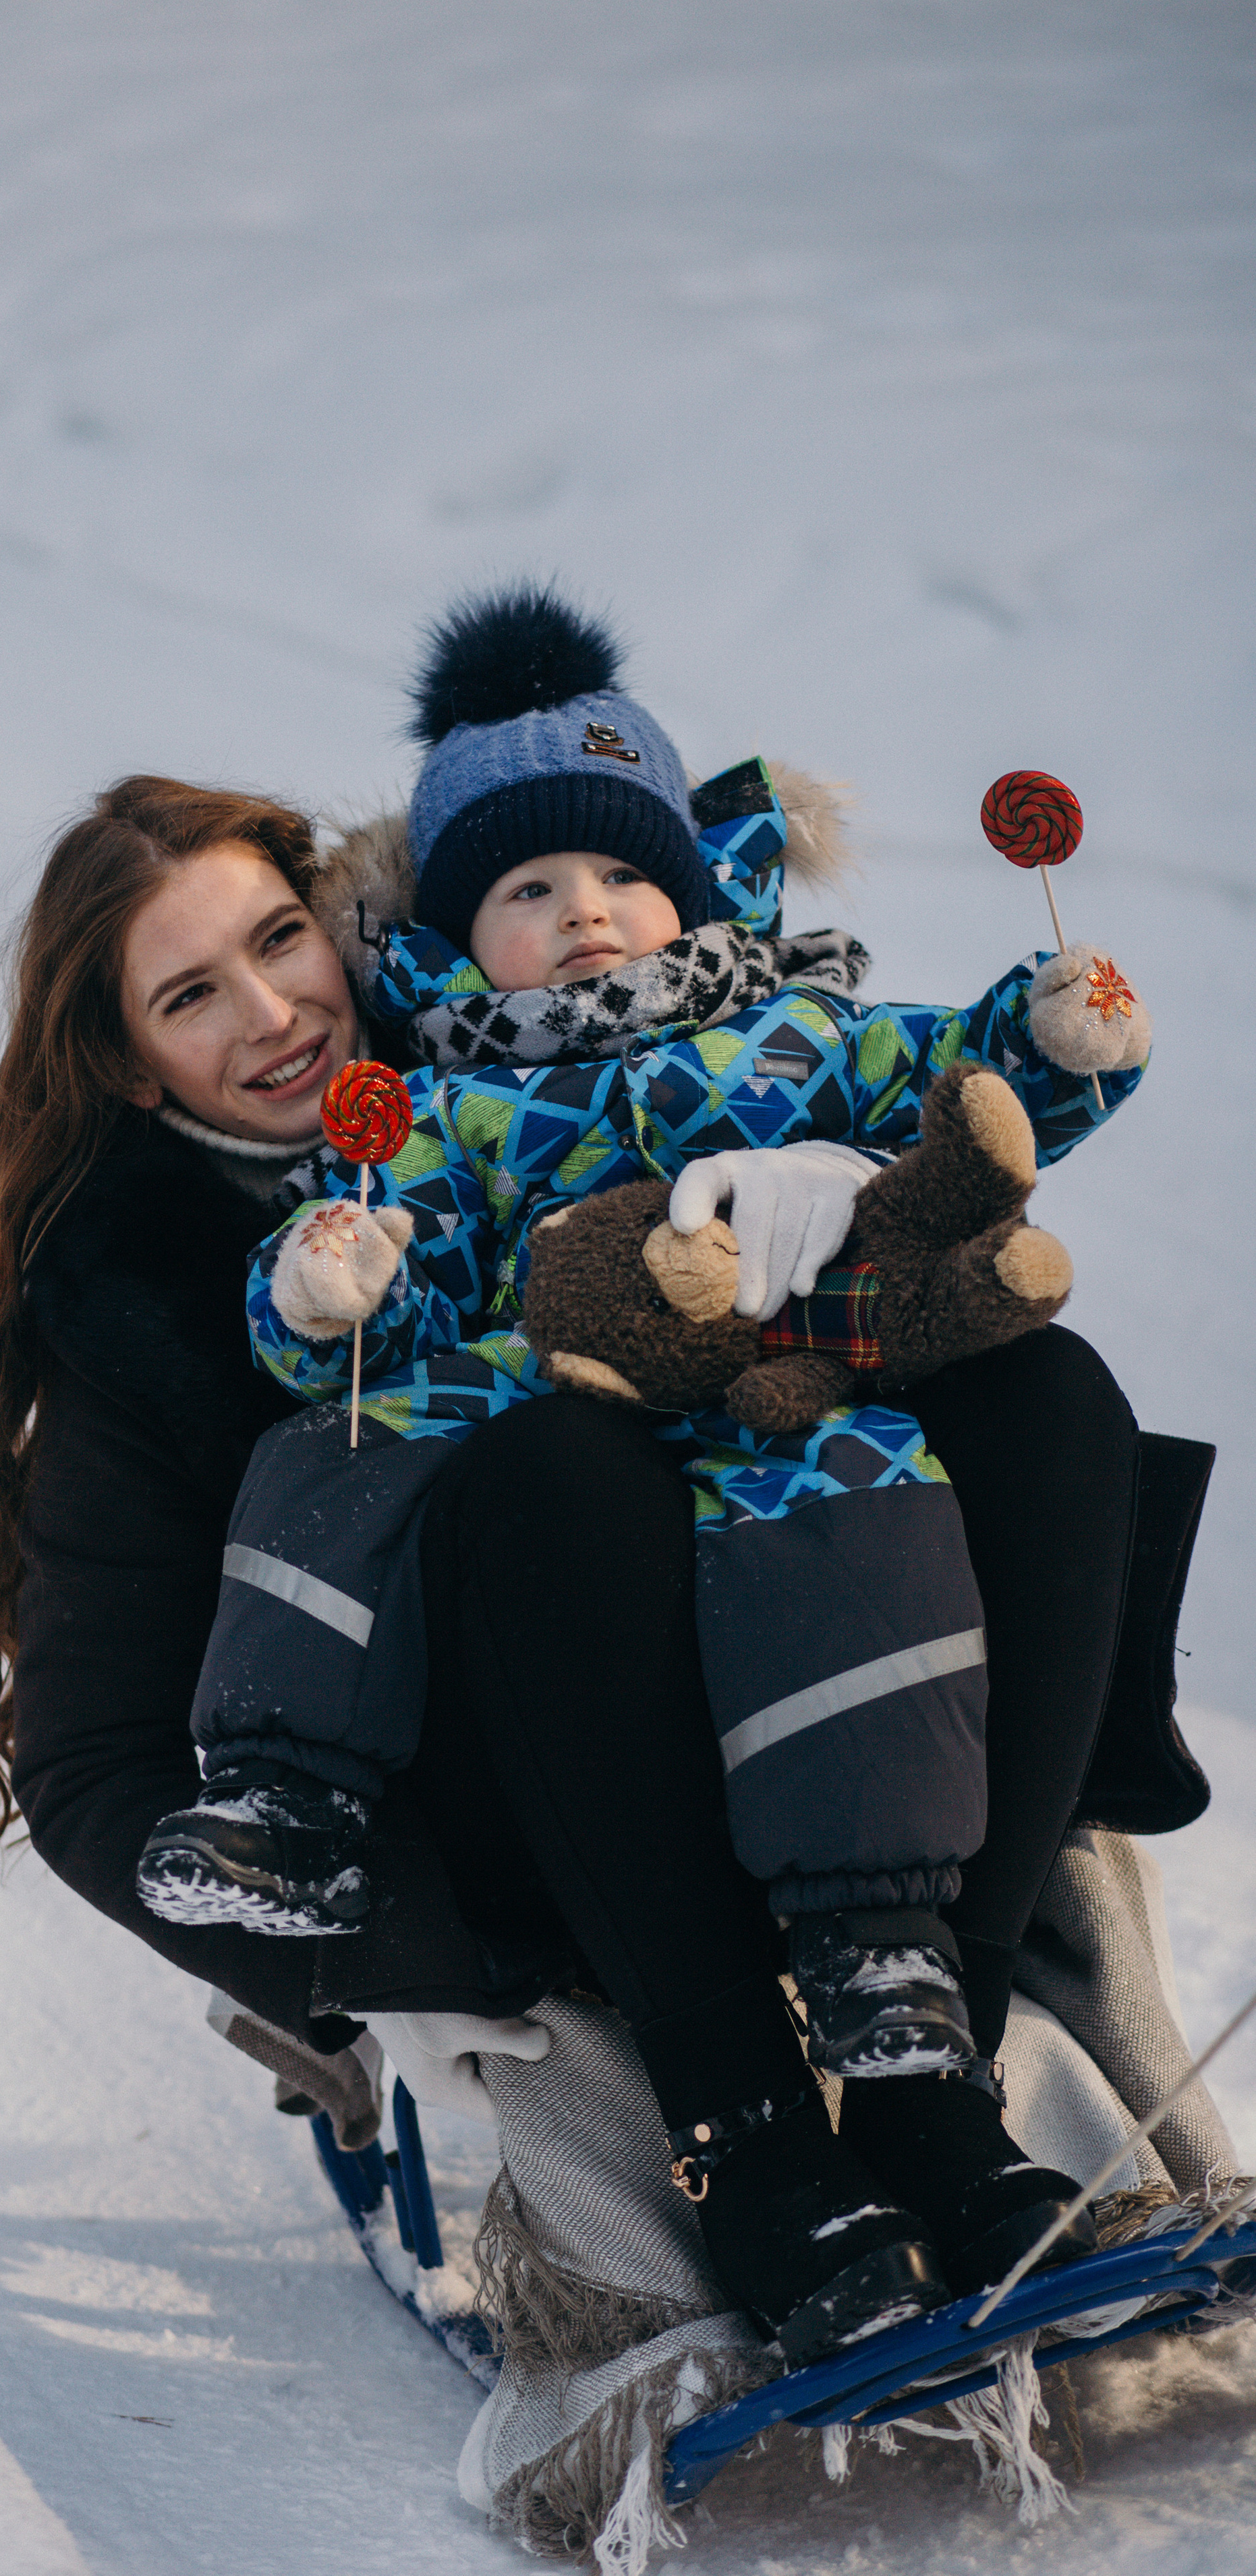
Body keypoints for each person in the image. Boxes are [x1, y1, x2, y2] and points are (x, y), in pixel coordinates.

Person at [0, 734, 1157, 2368]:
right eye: (190, 996)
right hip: (520, 1799)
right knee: (548, 1461)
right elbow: (93, 1777)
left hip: (810, 1644)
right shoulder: (136, 1307)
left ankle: (937, 2090)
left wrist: (855, 1192)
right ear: (137, 1068)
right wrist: (434, 1954)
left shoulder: (548, 1021)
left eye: (278, 943)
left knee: (1040, 1388)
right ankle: (745, 2132)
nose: (273, 1015)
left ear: (345, 927)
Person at [138, 593, 1148, 2146]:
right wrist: (335, 1284)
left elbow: (957, 1086)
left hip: (778, 1387)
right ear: (456, 937)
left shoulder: (796, 1031)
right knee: (339, 1446)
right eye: (529, 887)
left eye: (622, 871)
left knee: (861, 1533)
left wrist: (1049, 1034)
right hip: (548, 1399)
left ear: (695, 882)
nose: (586, 911)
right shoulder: (453, 1099)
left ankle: (876, 1929)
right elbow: (389, 1267)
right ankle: (283, 1788)